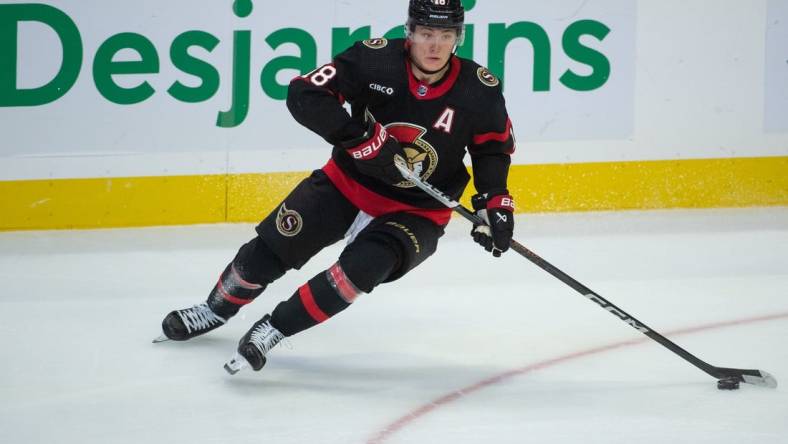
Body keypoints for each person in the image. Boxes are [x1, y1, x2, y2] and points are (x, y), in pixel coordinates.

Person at [155, 0, 516, 374]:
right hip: (347, 183)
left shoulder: (478, 89)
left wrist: (495, 203)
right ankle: (213, 309)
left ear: (459, 37)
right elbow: (303, 93)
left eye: (445, 36)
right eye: (426, 34)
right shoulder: (373, 60)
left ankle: (274, 329)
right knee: (272, 247)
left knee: (363, 268)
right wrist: (360, 140)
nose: (435, 46)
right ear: (409, 32)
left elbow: (492, 149)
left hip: (418, 210)